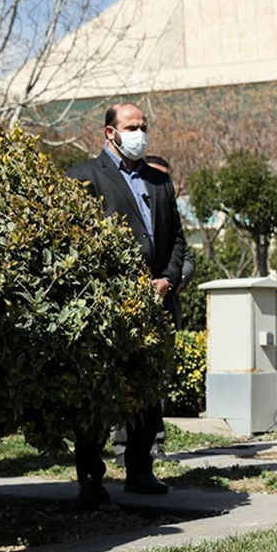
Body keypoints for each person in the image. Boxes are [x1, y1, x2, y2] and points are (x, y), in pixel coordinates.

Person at [67, 103, 189, 506]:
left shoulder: (159, 181)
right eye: (132, 127)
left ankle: (140, 470)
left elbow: (176, 239)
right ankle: (90, 477)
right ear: (110, 133)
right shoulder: (84, 177)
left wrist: (167, 279)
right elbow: (77, 245)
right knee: (98, 391)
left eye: (144, 126)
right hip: (109, 309)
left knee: (147, 392)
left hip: (156, 305)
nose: (140, 134)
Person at [110, 155, 195, 468]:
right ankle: (123, 447)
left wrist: (172, 280)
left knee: (156, 382)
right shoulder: (129, 214)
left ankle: (154, 445)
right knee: (126, 380)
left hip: (164, 308)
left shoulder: (169, 220)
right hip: (131, 309)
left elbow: (186, 256)